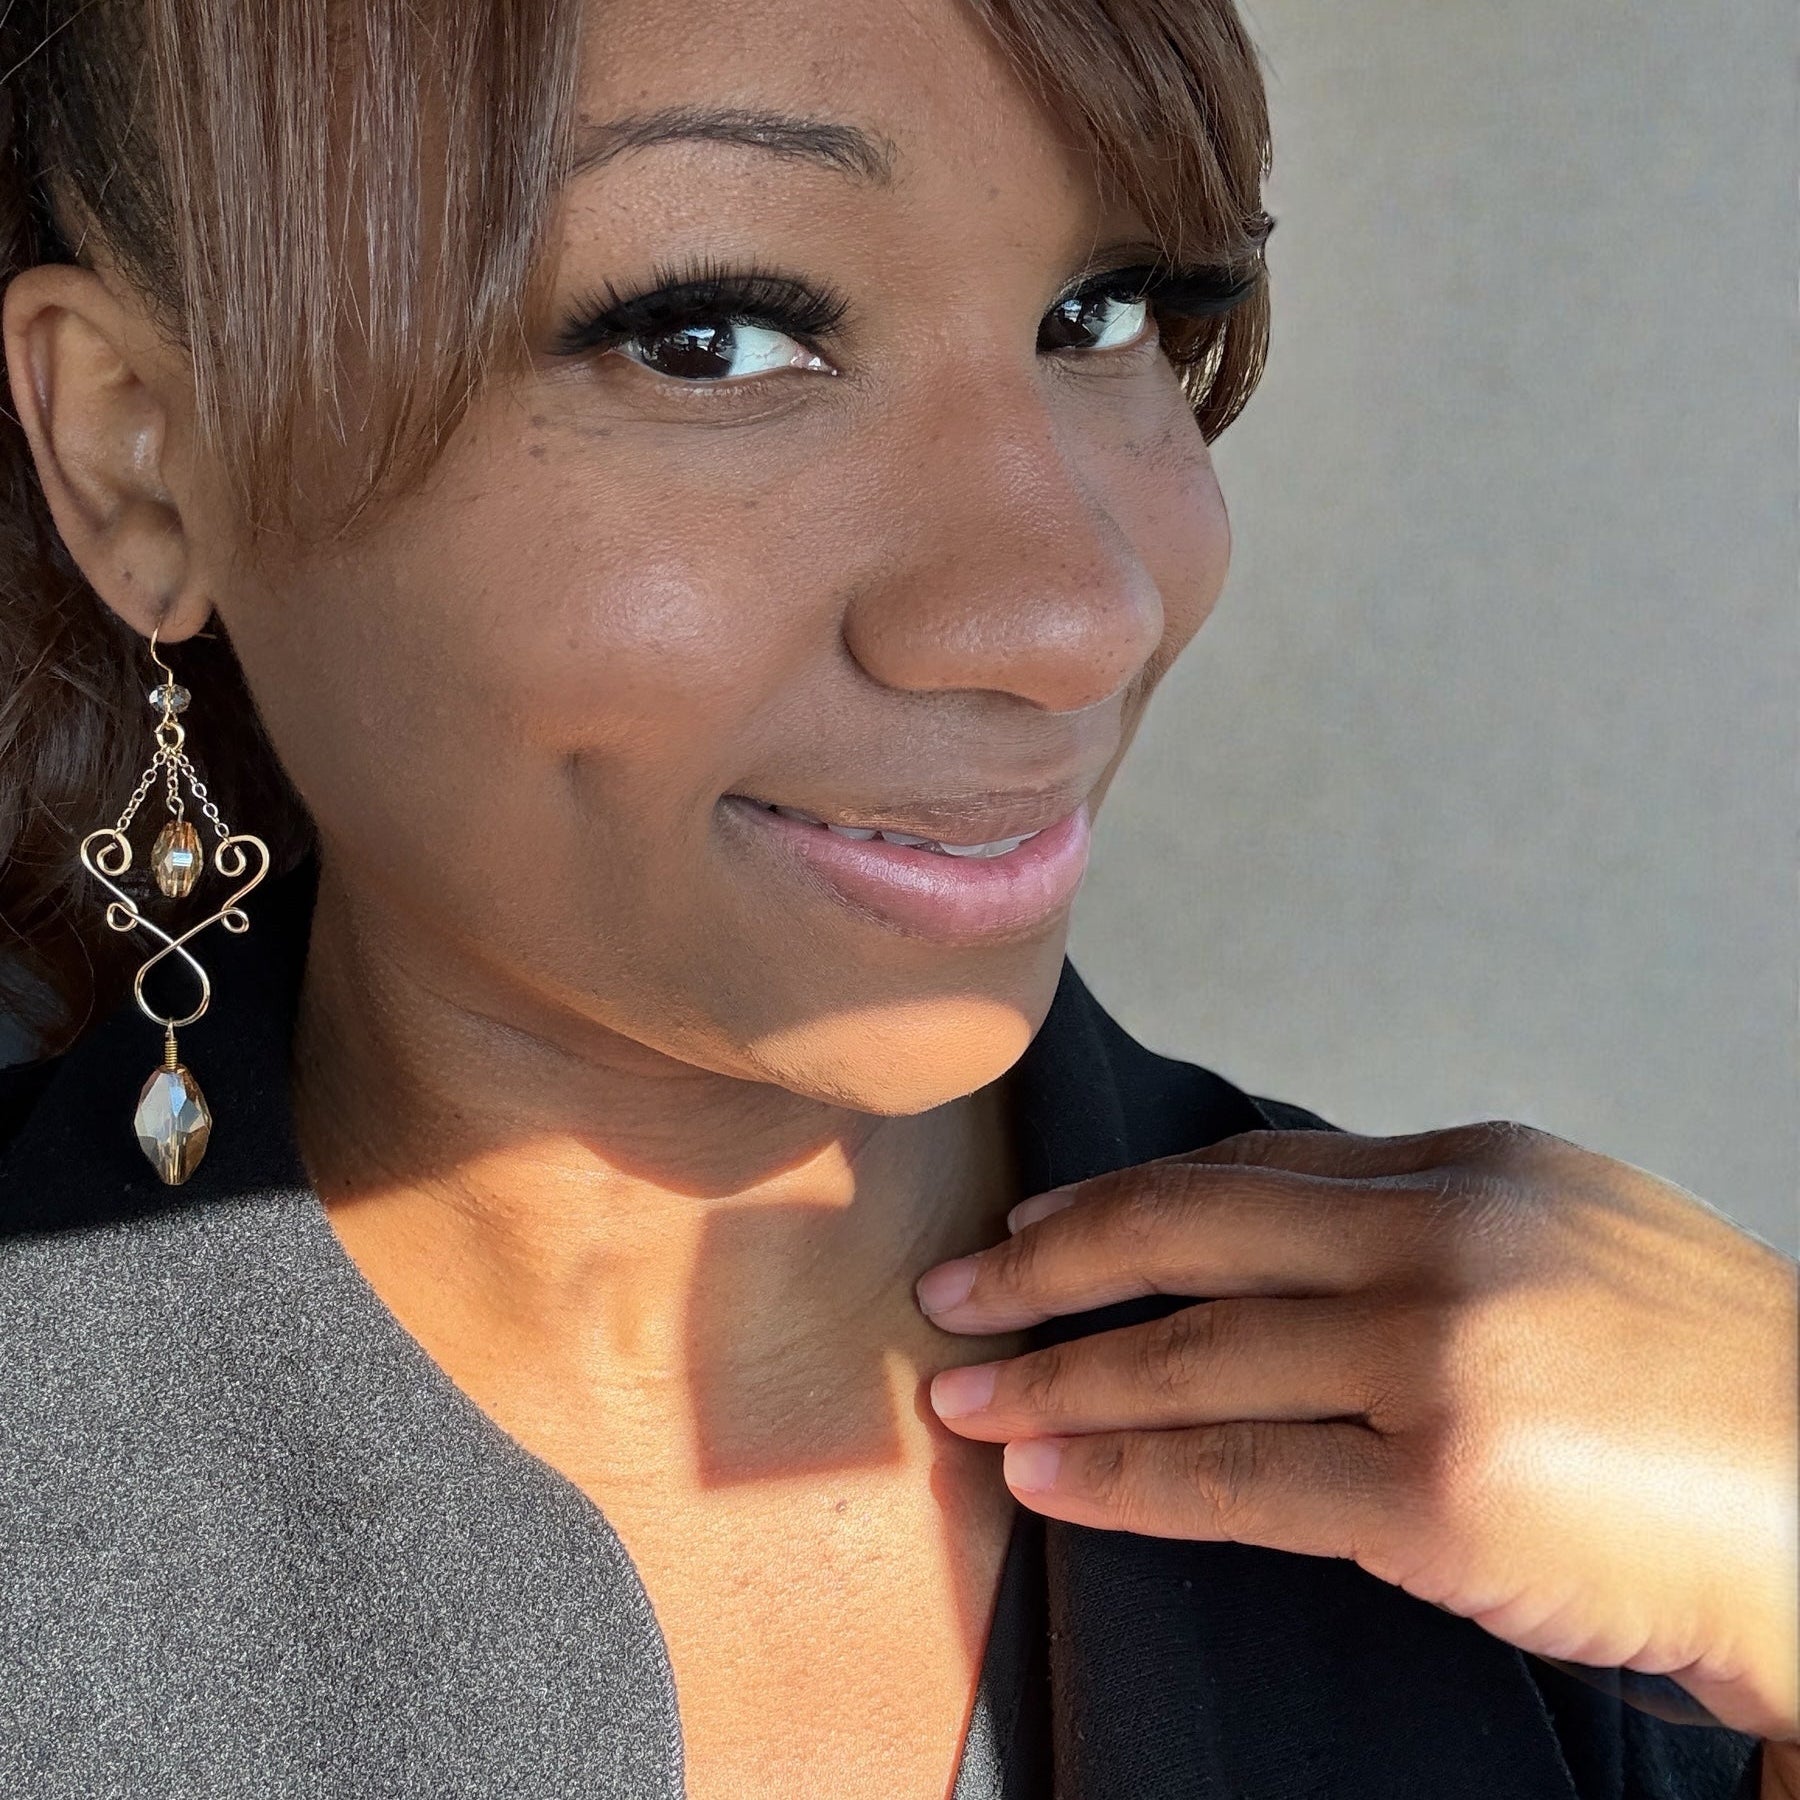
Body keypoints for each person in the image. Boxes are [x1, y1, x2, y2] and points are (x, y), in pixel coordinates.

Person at [0, 1, 1791, 1795]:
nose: (1070, 614)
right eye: (709, 340)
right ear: (140, 450)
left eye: (1101, 314)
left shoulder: (1594, 1550)